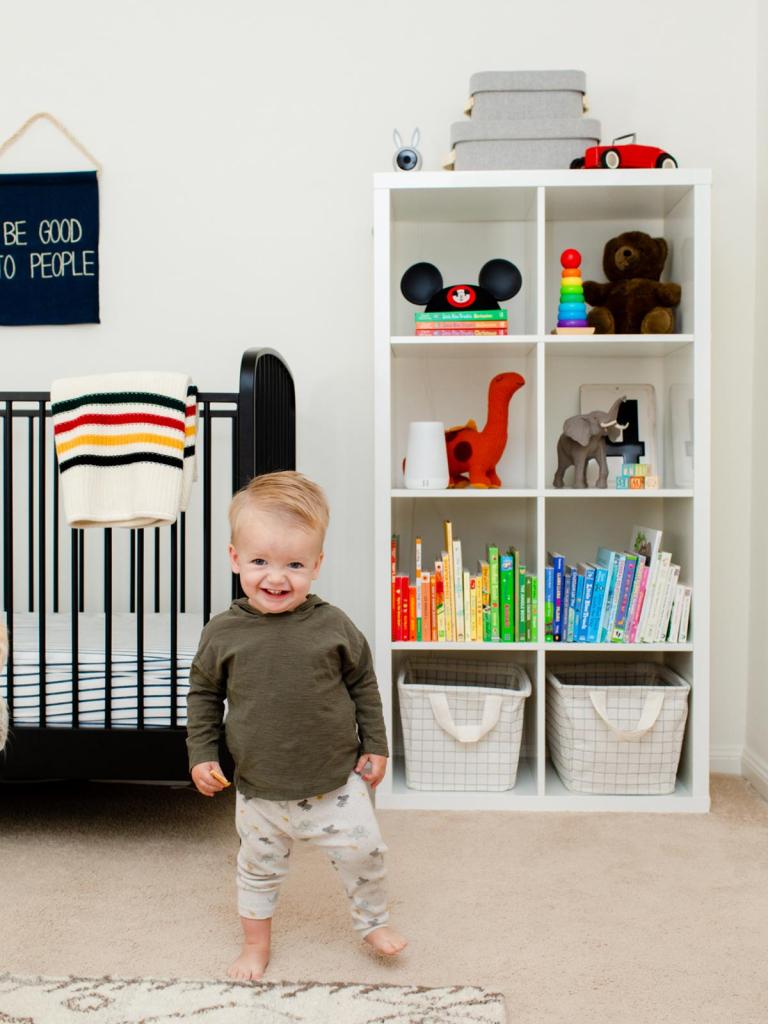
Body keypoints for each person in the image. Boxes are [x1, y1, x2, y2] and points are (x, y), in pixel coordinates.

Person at [186, 470, 407, 980]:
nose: (276, 577)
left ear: (317, 565)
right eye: (260, 561)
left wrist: (376, 743)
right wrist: (201, 754)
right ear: (235, 558)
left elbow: (364, 685)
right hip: (260, 788)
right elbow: (203, 697)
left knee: (365, 853)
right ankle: (254, 945)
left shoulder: (333, 626)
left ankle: (371, 922)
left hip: (335, 783)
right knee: (257, 871)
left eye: (294, 564)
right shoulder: (223, 633)